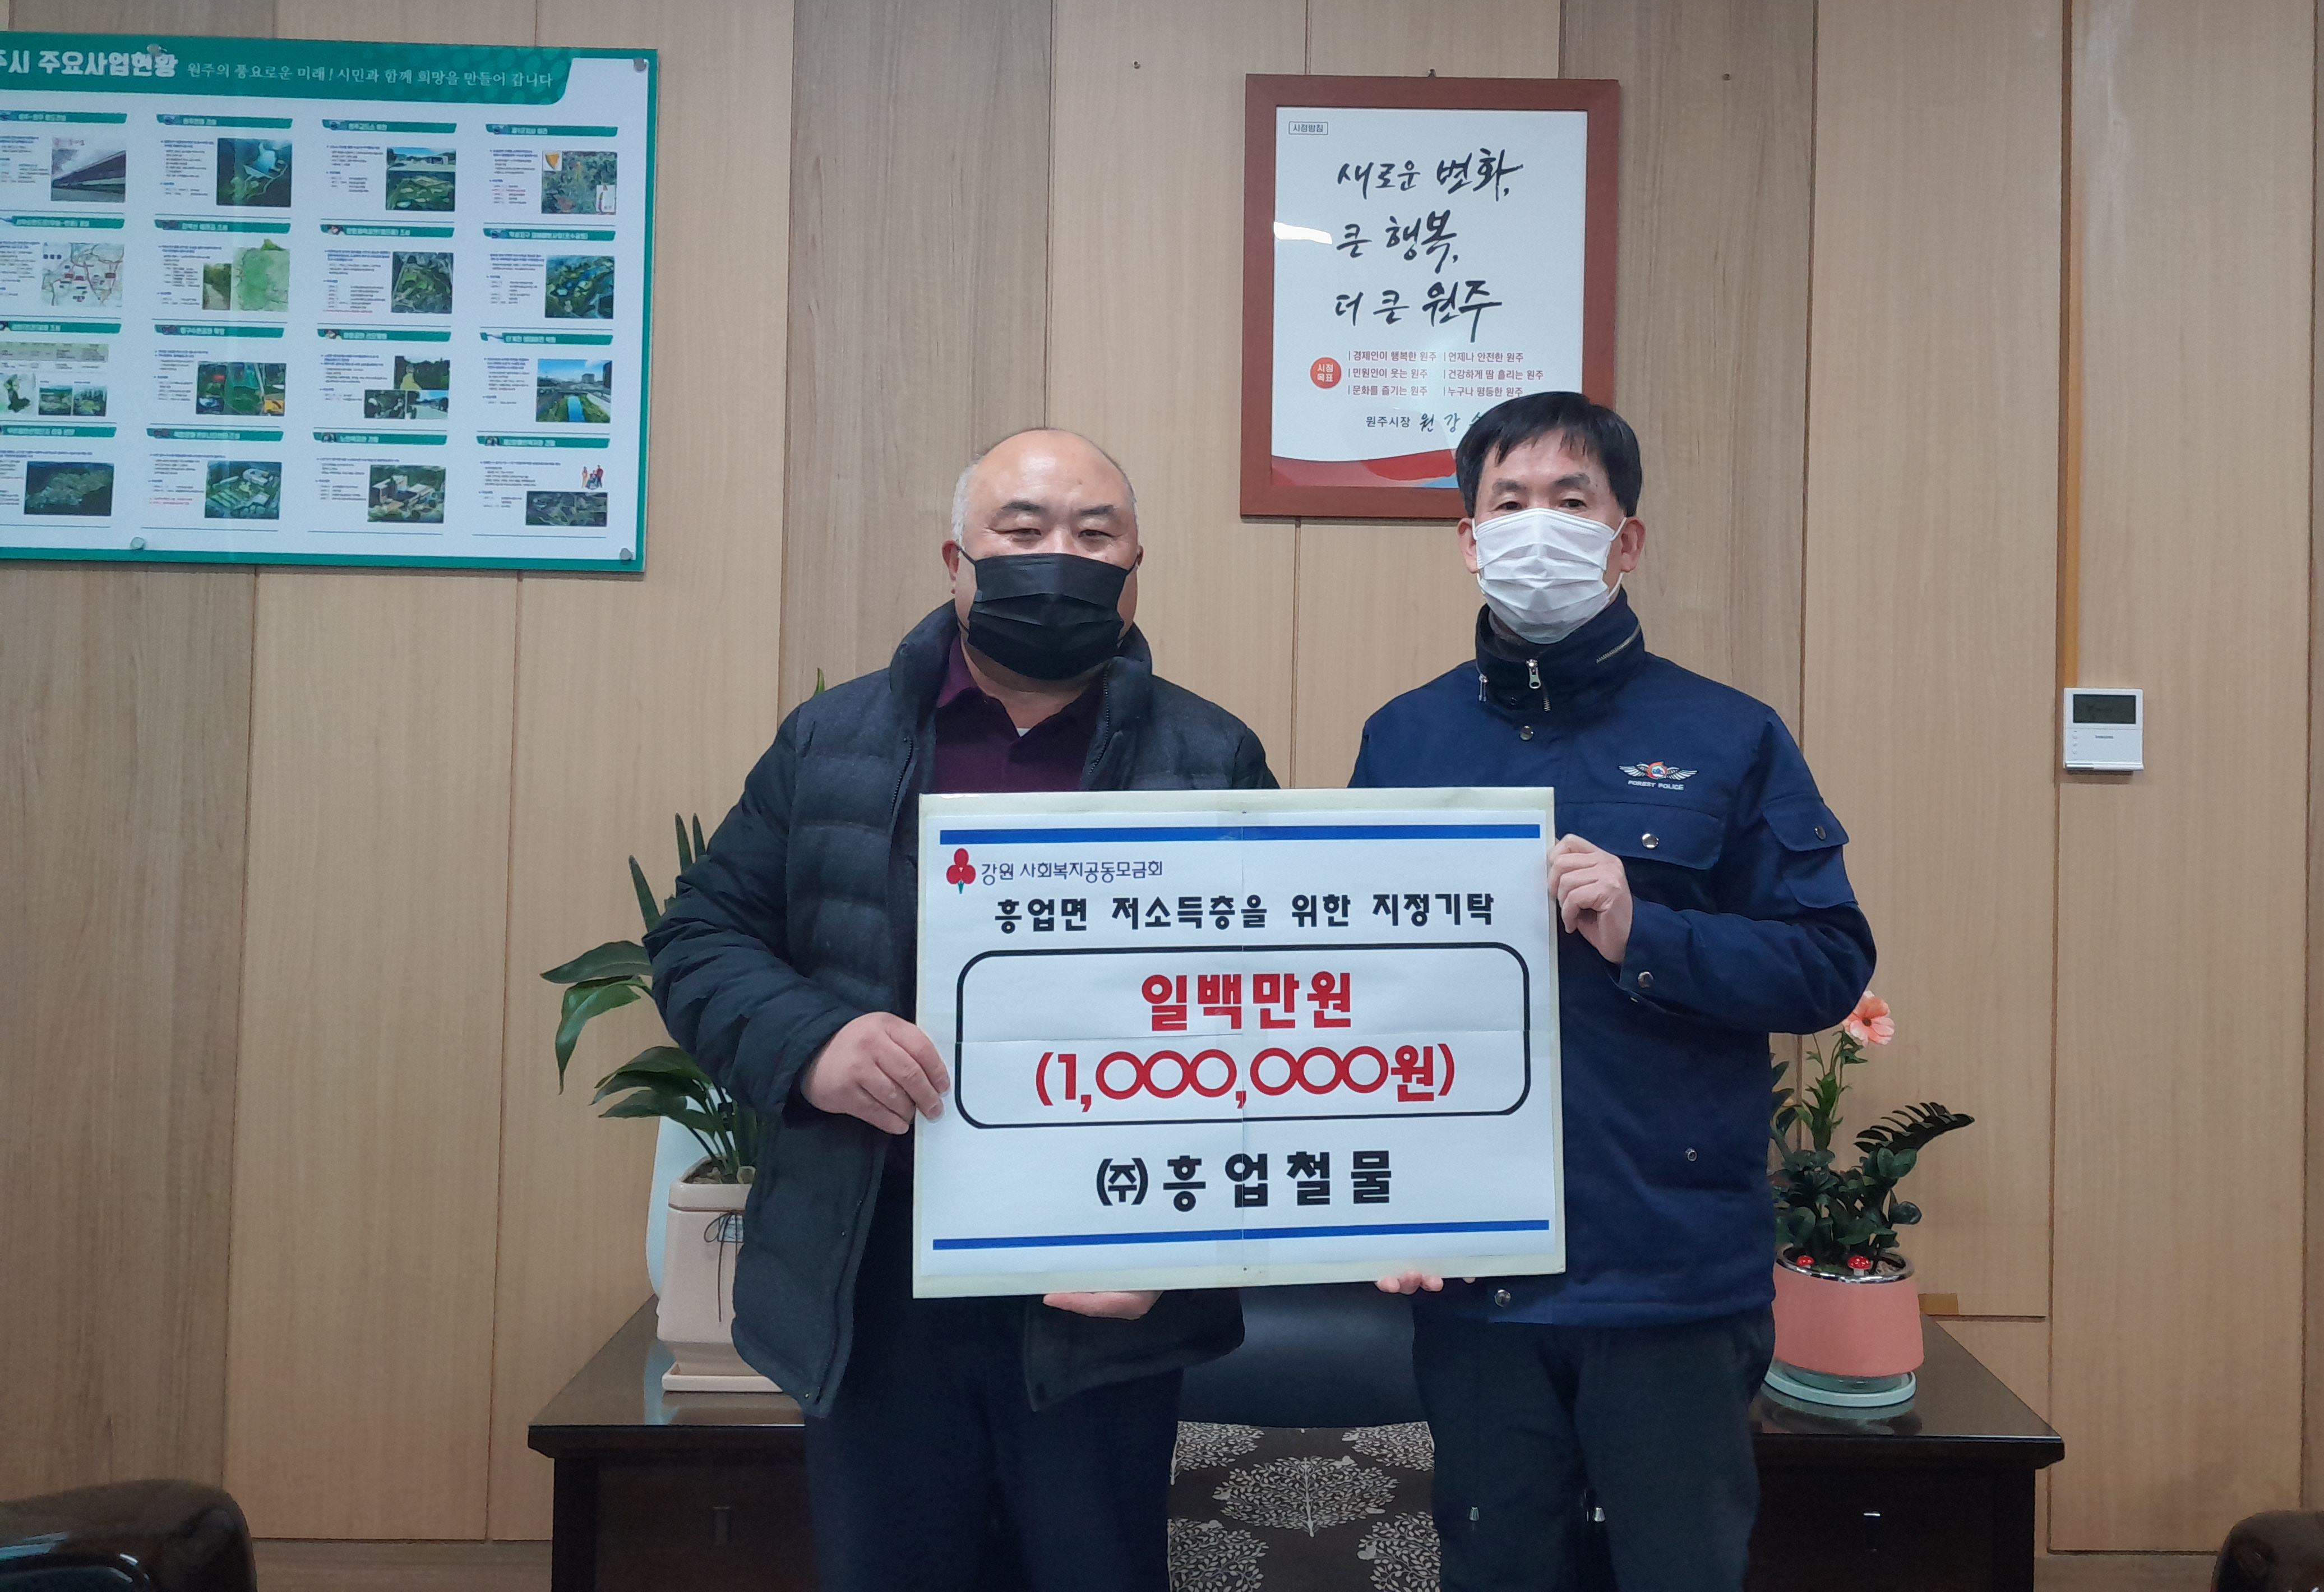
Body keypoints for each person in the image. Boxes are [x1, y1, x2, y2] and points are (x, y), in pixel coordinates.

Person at [647, 428, 1276, 1592]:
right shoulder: (831, 741)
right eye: (1023, 530)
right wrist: (814, 1043)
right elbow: (697, 938)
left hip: (1101, 1280)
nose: (1059, 556)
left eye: (1095, 535)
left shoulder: (1211, 756)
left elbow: (1266, 1015)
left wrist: (1176, 1242)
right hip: (872, 1274)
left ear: (1136, 569)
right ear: (957, 560)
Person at [1353, 393, 1876, 1592]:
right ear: (1469, 540)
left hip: (1670, 1276)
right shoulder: (1405, 739)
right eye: (1509, 503)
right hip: (1477, 1278)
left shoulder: (1730, 735)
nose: (1538, 526)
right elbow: (1368, 995)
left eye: (1571, 501)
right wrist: (1388, 1205)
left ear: (1624, 539)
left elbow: (1827, 964)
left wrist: (1647, 931)